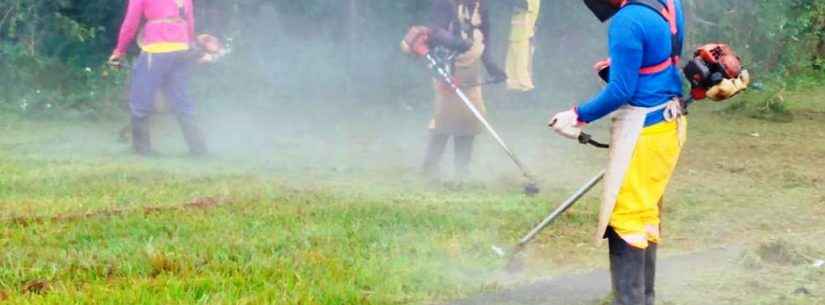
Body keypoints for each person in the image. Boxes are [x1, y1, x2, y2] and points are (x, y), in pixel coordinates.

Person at [549, 0, 686, 304]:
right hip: (670, 124)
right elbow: (663, 58)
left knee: (625, 218)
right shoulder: (669, 3)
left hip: (644, 129)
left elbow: (621, 91)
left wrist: (577, 115)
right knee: (645, 212)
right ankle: (644, 298)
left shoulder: (627, 20)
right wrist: (619, 68)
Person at [109, 0, 206, 156]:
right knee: (182, 100)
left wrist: (119, 51)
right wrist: (192, 46)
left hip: (156, 50)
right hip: (181, 49)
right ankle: (199, 149)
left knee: (140, 99)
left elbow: (130, 22)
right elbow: (190, 21)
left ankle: (141, 150)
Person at [421, 0, 501, 179]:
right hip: (447, 67)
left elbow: (484, 37)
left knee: (469, 120)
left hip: (472, 71)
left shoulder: (481, 5)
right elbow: (435, 32)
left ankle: (461, 171)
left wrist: (490, 65)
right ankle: (430, 168)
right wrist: (456, 43)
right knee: (444, 120)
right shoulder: (443, 3)